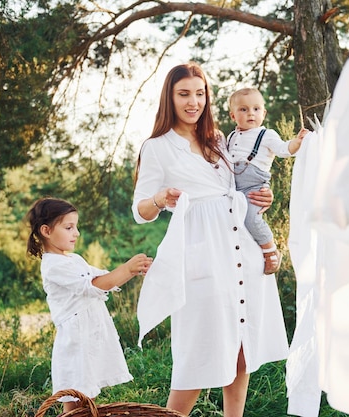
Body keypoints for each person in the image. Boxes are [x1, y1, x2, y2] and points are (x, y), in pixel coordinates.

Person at [132, 62, 289, 417]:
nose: (193, 102)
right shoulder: (156, 147)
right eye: (184, 94)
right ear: (169, 98)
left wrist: (265, 196)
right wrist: (159, 200)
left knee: (242, 349)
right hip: (202, 255)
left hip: (243, 252)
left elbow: (242, 185)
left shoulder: (219, 139)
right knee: (197, 354)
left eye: (199, 94)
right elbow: (140, 209)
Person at [26, 197, 153, 414]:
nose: (76, 233)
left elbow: (105, 279)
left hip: (90, 337)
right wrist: (127, 268)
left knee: (87, 399)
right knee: (75, 400)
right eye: (69, 227)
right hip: (76, 343)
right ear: (46, 231)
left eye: (76, 226)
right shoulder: (53, 266)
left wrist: (134, 270)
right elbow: (93, 285)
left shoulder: (74, 259)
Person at [227, 87, 310, 274]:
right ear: (233, 116)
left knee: (251, 218)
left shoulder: (267, 135)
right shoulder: (231, 137)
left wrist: (297, 142)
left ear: (263, 113)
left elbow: (283, 149)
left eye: (256, 109)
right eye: (243, 109)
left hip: (255, 187)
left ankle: (270, 250)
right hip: (235, 188)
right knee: (235, 221)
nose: (251, 113)